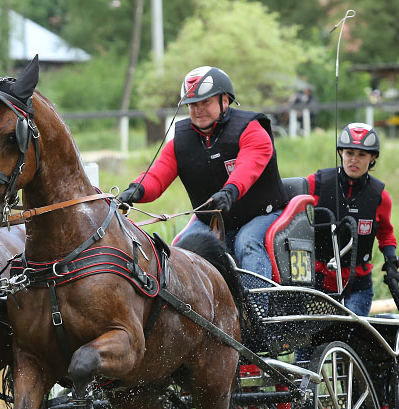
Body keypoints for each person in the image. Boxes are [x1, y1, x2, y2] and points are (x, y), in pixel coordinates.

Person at [117, 66, 288, 281]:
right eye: (192, 105)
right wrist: (136, 191)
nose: (198, 110)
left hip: (263, 215)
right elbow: (157, 174)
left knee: (247, 241)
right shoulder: (180, 141)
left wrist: (230, 191)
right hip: (212, 221)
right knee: (178, 251)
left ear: (225, 101)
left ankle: (255, 309)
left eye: (205, 102)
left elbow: (248, 167)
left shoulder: (251, 129)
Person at [305, 122, 399, 316]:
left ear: (372, 158)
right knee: (314, 343)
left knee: (351, 340)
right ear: (340, 153)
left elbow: (386, 233)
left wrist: (391, 261)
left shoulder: (380, 196)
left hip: (358, 285)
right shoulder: (317, 183)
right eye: (349, 153)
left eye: (362, 155)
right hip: (321, 280)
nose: (354, 160)